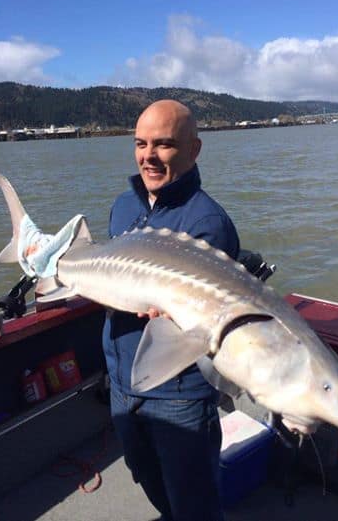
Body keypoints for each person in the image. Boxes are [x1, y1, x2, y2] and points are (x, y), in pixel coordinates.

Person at [102, 99, 240, 521]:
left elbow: (207, 319)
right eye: (141, 144)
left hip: (177, 393)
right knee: (144, 474)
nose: (148, 156)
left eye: (163, 145)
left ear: (194, 149)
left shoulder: (207, 222)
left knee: (194, 500)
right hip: (122, 381)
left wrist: (176, 312)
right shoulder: (123, 206)